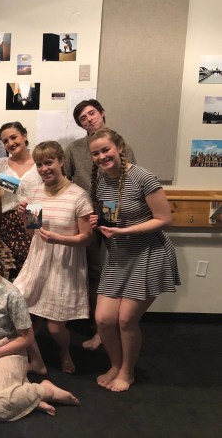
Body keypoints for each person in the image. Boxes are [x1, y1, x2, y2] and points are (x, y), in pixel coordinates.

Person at [88, 128, 180, 392]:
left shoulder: (142, 177)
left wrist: (124, 231)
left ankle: (127, 372)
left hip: (148, 254)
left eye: (106, 150)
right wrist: (99, 222)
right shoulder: (102, 181)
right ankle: (116, 365)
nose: (102, 156)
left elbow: (164, 219)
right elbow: (111, 218)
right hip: (119, 255)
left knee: (126, 320)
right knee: (104, 319)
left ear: (119, 147)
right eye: (96, 153)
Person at [0, 236, 80, 420]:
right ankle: (25, 399)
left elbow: (27, 338)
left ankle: (44, 391)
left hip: (5, 348)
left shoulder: (10, 293)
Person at [14, 141, 93, 374]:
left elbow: (87, 238)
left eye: (49, 163)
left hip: (65, 264)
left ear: (61, 162)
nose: (44, 169)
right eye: (39, 164)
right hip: (37, 260)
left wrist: (60, 239)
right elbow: (32, 232)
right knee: (18, 308)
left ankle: (64, 352)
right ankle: (34, 357)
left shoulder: (78, 196)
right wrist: (24, 218)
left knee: (56, 327)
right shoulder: (35, 193)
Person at [64, 99, 136, 351]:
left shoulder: (119, 144)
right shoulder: (74, 148)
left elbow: (130, 178)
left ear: (102, 113)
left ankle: (120, 323)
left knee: (120, 266)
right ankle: (99, 327)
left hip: (113, 209)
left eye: (91, 113)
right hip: (85, 213)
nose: (89, 120)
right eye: (83, 118)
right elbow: (66, 180)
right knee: (93, 270)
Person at [0, 122, 42, 279]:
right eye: (5, 141)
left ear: (24, 136)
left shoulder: (39, 162)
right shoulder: (2, 164)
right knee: (11, 265)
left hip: (34, 214)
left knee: (33, 265)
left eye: (14, 137)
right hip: (10, 220)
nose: (10, 143)